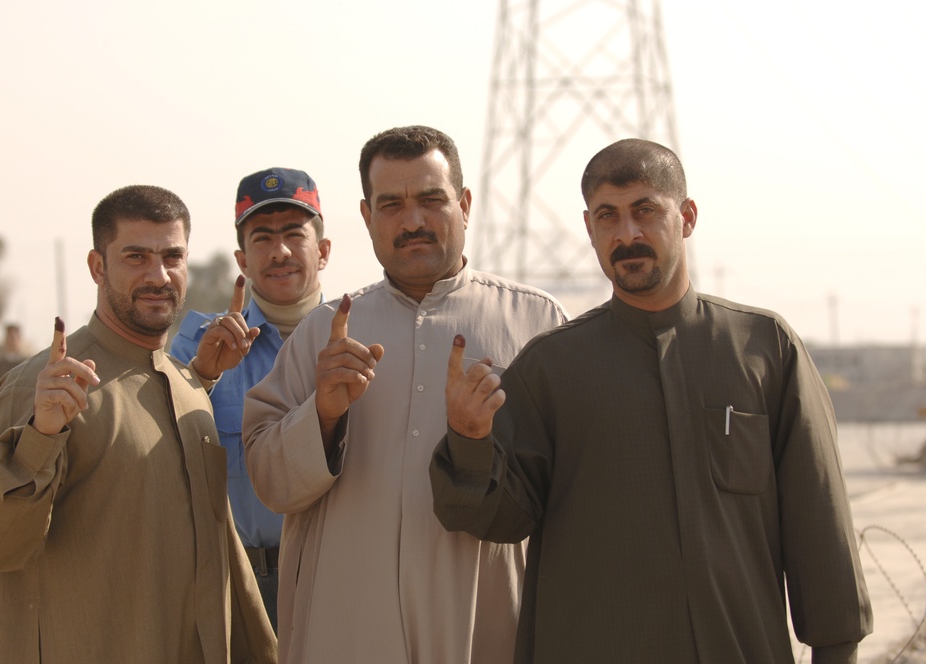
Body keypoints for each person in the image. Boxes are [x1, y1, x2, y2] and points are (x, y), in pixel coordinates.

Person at [431, 138, 874, 663]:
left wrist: (836, 649)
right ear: (590, 228)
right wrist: (470, 438)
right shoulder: (551, 368)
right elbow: (500, 520)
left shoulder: (763, 348)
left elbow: (818, 523)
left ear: (686, 216)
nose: (627, 234)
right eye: (608, 217)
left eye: (645, 212)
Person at [241, 125, 567, 663]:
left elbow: (568, 486)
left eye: (431, 200)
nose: (412, 220)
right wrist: (321, 415)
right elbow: (270, 484)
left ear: (464, 204)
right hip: (348, 627)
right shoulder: (322, 334)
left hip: (484, 625)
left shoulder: (535, 322)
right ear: (367, 217)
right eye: (390, 203)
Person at [0, 185, 277, 663]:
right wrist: (40, 439)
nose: (159, 275)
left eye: (173, 256)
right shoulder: (43, 387)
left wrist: (202, 380)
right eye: (136, 257)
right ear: (96, 266)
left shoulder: (184, 382)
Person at [172, 167, 331, 633]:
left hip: (343, 574)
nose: (279, 251)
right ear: (242, 259)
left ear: (322, 251)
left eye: (293, 235)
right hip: (240, 584)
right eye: (262, 238)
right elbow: (163, 451)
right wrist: (204, 377)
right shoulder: (201, 346)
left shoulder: (362, 336)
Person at [0, 323, 26, 393]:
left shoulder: (25, 363)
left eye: (14, 337)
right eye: (10, 337)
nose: (12, 341)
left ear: (19, 338)